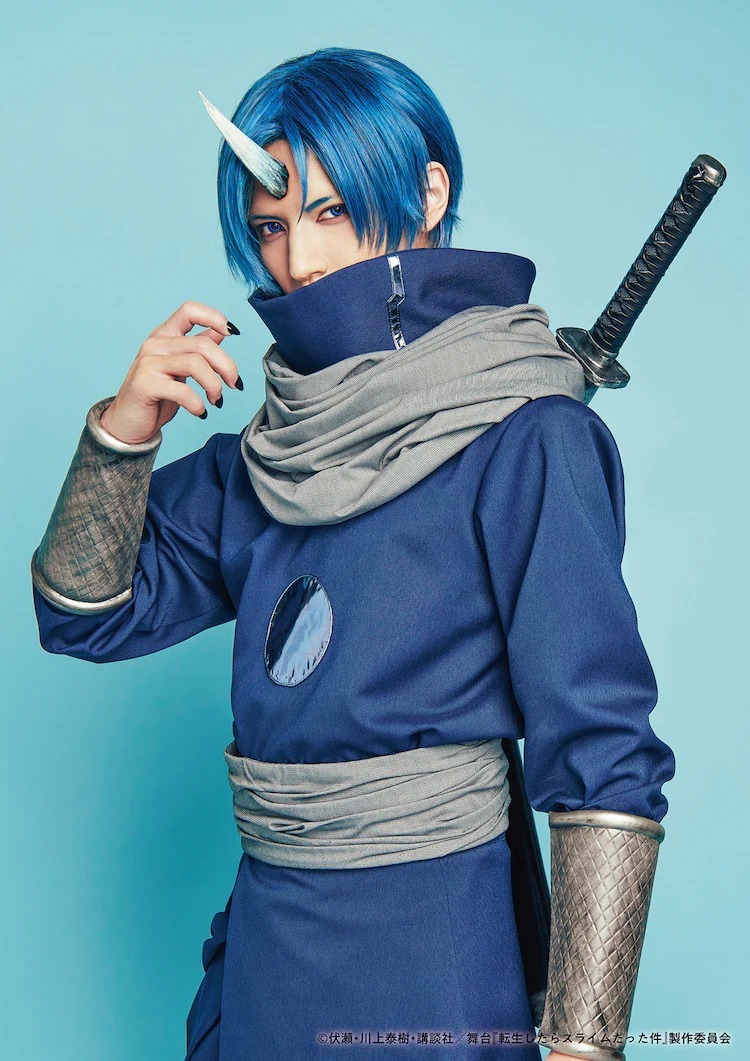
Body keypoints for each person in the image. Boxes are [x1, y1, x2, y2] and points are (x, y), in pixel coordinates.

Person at [30, 47, 675, 1061]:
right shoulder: (264, 458)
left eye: (329, 211)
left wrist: (585, 1042)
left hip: (432, 960)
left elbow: (604, 753)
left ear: (428, 193)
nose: (298, 261)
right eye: (269, 227)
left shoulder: (532, 439)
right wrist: (124, 430)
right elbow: (83, 615)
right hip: (268, 958)